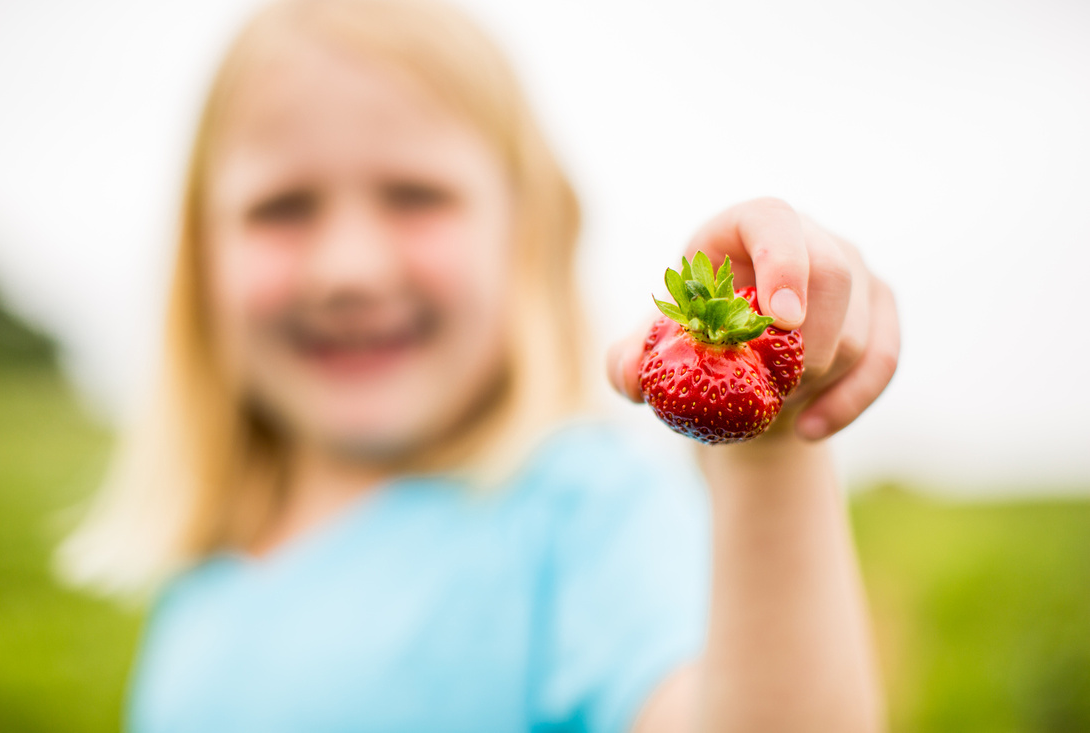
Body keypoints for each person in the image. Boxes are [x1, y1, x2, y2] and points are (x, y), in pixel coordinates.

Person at [58, 0, 899, 731]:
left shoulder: (579, 515)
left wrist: (767, 442)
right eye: (282, 208)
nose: (348, 268)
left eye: (416, 195)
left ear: (530, 235)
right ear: (200, 257)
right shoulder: (204, 570)